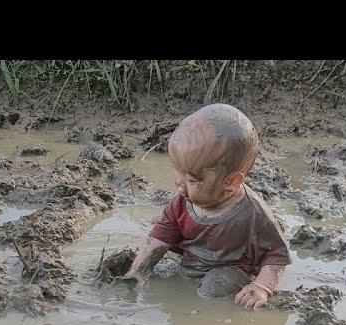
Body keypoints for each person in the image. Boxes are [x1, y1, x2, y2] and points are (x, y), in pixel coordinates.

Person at [124, 103, 291, 310]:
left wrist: (261, 287)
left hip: (230, 272)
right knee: (166, 282)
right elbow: (160, 237)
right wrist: (137, 271)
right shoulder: (181, 201)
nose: (179, 183)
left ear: (231, 182)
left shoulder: (253, 213)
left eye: (192, 180)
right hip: (191, 265)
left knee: (214, 287)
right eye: (178, 173)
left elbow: (277, 254)